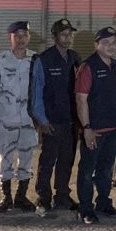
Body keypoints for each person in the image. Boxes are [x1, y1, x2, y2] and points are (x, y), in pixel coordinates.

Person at [74, 27, 116, 224]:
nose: (111, 47)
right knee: (87, 171)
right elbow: (81, 100)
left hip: (112, 128)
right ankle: (85, 209)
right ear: (96, 45)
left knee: (106, 169)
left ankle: (103, 202)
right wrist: (87, 128)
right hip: (94, 130)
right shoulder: (88, 67)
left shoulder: (115, 66)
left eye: (114, 43)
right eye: (106, 43)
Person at [30, 18, 81, 216]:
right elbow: (37, 93)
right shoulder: (43, 60)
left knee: (66, 160)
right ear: (55, 37)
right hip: (52, 121)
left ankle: (62, 196)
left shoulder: (75, 58)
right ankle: (43, 198)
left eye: (70, 34)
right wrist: (42, 120)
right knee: (47, 162)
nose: (68, 38)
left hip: (70, 120)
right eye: (63, 34)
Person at [0, 21, 37, 214]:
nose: (21, 39)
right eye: (17, 35)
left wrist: (41, 117)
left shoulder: (35, 59)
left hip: (29, 119)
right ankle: (6, 197)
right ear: (10, 38)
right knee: (5, 157)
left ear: (29, 37)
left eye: (25, 35)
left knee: (27, 156)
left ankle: (21, 197)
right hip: (6, 119)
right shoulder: (1, 60)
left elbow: (41, 90)